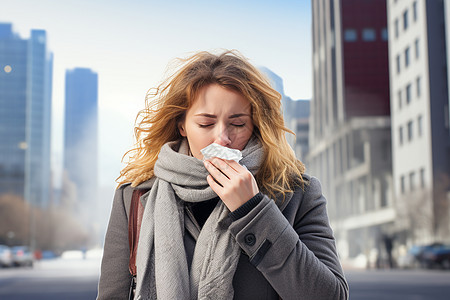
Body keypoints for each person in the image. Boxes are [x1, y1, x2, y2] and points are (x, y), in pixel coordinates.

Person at [97, 50, 349, 300]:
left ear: (255, 124)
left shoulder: (296, 193)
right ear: (182, 125)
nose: (223, 139)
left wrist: (253, 211)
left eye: (238, 124)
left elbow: (332, 295)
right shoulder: (134, 195)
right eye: (206, 124)